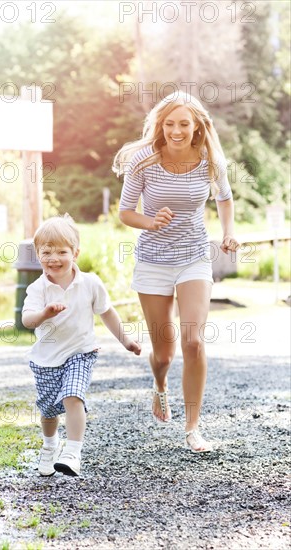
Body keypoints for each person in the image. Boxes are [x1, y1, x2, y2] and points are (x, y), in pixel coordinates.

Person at [113, 91, 239, 453]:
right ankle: (160, 384)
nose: (176, 131)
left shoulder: (209, 160)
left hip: (194, 257)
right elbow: (125, 212)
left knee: (194, 341)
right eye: (169, 124)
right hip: (153, 261)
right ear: (160, 125)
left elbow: (224, 198)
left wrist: (229, 233)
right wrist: (151, 222)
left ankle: (193, 428)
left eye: (184, 123)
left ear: (197, 125)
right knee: (165, 353)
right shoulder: (144, 160)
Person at [22, 214, 141, 477]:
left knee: (73, 396)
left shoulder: (90, 283)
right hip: (46, 359)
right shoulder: (37, 288)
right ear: (38, 254)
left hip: (80, 353)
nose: (54, 258)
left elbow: (107, 313)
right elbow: (28, 319)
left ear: (75, 252)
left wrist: (126, 340)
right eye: (46, 252)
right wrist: (45, 313)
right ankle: (50, 445)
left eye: (62, 251)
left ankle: (73, 452)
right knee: (49, 412)